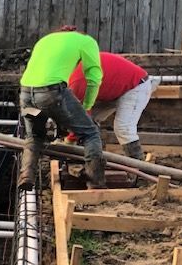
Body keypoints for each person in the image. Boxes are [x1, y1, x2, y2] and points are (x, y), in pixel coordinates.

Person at [18, 25, 106, 190]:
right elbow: (94, 77)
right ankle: (96, 184)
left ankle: (26, 176)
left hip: (25, 93)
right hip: (52, 92)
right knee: (90, 133)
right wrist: (87, 106)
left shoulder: (45, 40)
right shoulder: (86, 41)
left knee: (34, 136)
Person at [67, 52, 158, 160]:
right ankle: (96, 156)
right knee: (92, 120)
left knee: (123, 128)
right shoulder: (74, 73)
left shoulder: (77, 82)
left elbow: (82, 119)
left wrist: (69, 141)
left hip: (136, 86)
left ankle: (137, 167)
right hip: (115, 88)